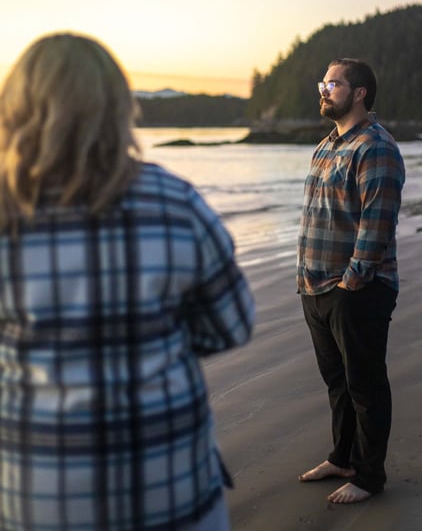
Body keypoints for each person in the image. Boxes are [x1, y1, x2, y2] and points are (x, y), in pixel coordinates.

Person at [0, 32, 255, 531]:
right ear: (119, 108)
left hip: (36, 495)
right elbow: (234, 325)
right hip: (174, 491)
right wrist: (149, 335)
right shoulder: (174, 202)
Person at [296, 58, 405, 504]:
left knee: (364, 385)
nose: (324, 89)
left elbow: (376, 226)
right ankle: (342, 457)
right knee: (337, 382)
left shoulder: (375, 147)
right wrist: (308, 280)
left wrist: (353, 281)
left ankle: (368, 476)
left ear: (359, 93)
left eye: (334, 83)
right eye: (323, 82)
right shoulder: (326, 146)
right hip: (316, 286)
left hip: (355, 288)